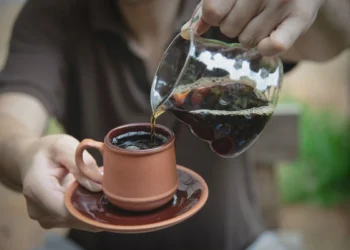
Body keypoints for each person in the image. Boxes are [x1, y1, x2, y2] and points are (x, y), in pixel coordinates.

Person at [0, 0, 348, 249]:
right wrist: (28, 153)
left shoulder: (225, 11)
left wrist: (318, 4)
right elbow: (9, 120)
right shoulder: (53, 13)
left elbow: (337, 33)